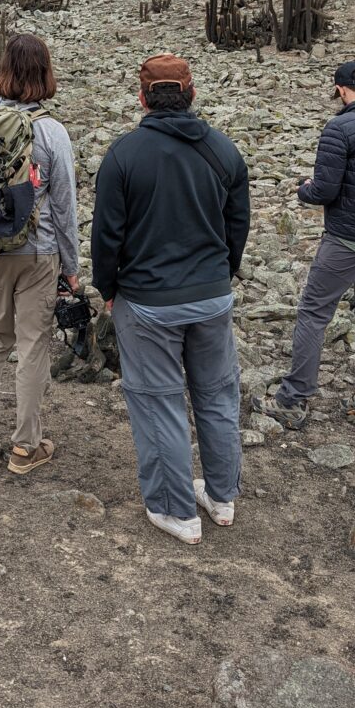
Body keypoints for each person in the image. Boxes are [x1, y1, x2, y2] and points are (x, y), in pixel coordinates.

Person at [91, 53, 250, 545]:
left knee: (159, 401)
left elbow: (106, 237)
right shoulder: (224, 152)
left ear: (142, 98)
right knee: (218, 395)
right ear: (191, 93)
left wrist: (109, 289)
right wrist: (222, 276)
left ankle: (175, 509)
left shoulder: (123, 155)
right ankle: (221, 497)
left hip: (147, 302)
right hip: (210, 295)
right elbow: (237, 225)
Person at [259, 60, 355, 431]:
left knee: (314, 311)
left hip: (347, 238)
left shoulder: (338, 128)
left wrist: (303, 188)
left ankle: (293, 400)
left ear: (340, 90)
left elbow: (325, 191)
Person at [0, 34, 80, 474]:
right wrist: (72, 268)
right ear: (45, 71)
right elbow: (65, 204)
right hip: (38, 253)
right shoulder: (51, 130)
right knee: (32, 346)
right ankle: (26, 446)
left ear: (3, 69)